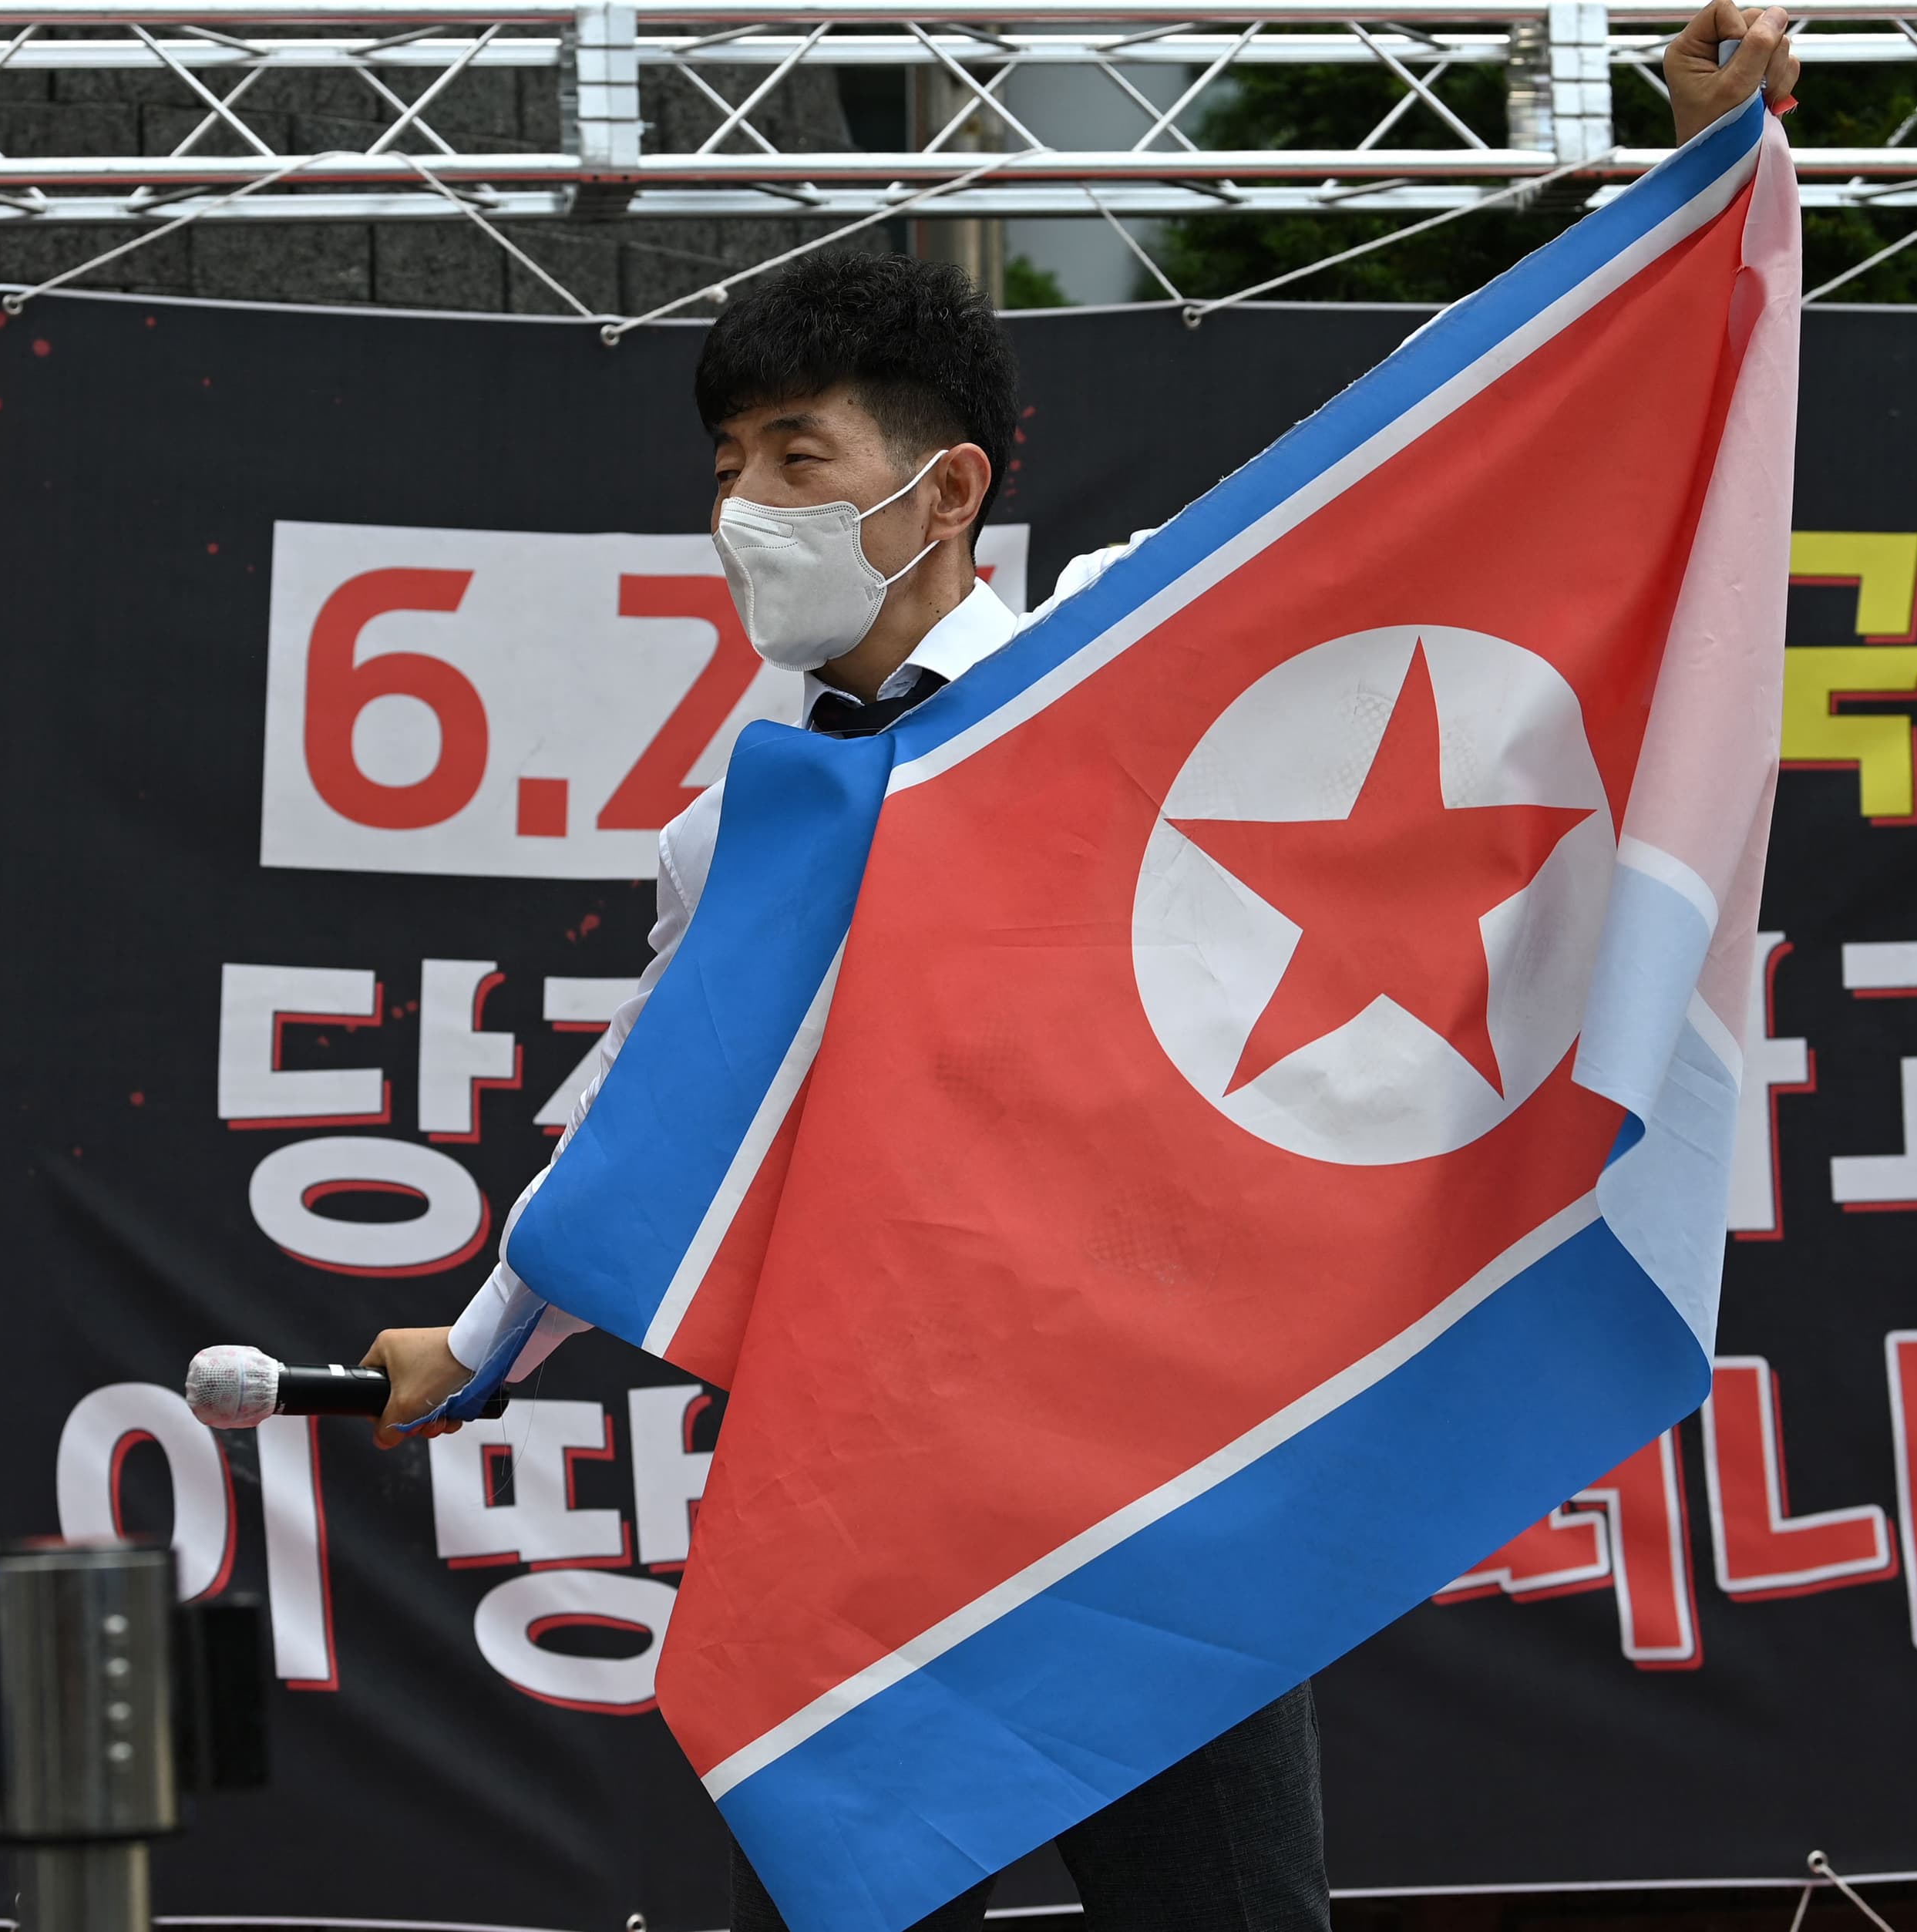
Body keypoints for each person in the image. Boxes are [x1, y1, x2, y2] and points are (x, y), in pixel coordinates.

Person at [361, 9, 1800, 1925]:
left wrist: (1694, 182)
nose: (746, 509)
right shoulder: (743, 818)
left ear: (942, 492)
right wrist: (470, 1351)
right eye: (725, 461)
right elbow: (649, 1118)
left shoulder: (1121, 661)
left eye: (798, 456)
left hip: (1139, 1466)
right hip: (864, 1465)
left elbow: (1453, 455)